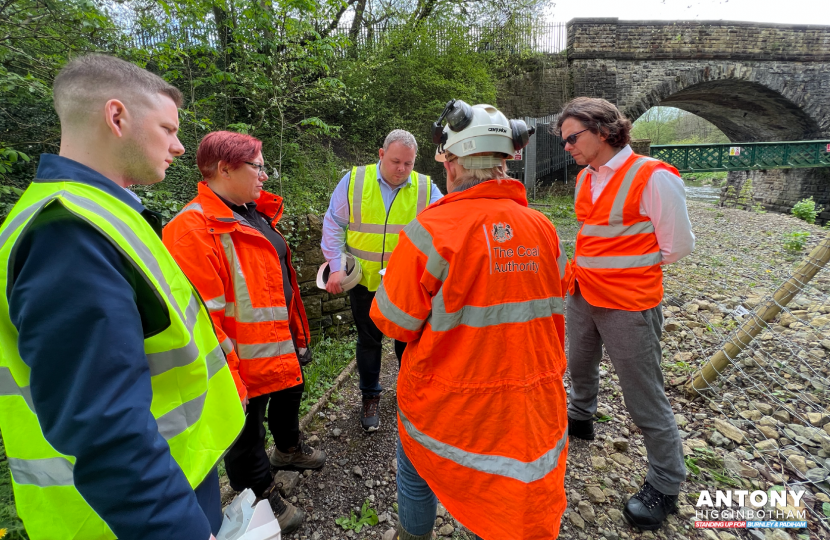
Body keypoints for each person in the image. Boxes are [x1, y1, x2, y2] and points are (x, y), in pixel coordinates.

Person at [0, 54, 244, 540]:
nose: (178, 146)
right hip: (124, 516)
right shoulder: (67, 234)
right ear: (116, 117)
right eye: (168, 128)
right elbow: (105, 428)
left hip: (163, 481)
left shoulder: (99, 215)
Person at [372, 102, 570, 540]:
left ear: (455, 162)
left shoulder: (430, 230)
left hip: (448, 403)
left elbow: (394, 322)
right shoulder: (544, 228)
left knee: (417, 471)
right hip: (529, 398)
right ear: (505, 161)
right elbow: (554, 296)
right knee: (504, 497)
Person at [163, 131, 324, 534]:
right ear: (224, 168)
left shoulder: (250, 211)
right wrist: (231, 380)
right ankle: (259, 490)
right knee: (246, 430)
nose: (265, 176)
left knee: (290, 397)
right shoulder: (194, 228)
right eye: (257, 166)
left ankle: (287, 452)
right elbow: (204, 320)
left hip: (278, 343)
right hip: (242, 359)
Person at [556, 97, 695, 530]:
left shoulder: (652, 177)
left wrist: (625, 271)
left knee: (643, 394)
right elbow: (593, 234)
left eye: (572, 138)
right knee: (578, 365)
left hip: (629, 305)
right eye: (564, 141)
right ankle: (581, 419)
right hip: (582, 294)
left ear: (603, 130)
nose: (567, 147)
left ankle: (666, 483)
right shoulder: (585, 179)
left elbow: (678, 246)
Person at [321, 129, 443, 431]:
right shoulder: (354, 181)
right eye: (395, 161)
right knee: (369, 341)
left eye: (408, 164)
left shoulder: (427, 188)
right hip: (364, 282)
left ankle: (408, 393)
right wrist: (336, 266)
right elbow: (334, 224)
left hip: (408, 285)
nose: (401, 169)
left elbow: (446, 230)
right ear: (381, 154)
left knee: (408, 341)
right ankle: (370, 396)